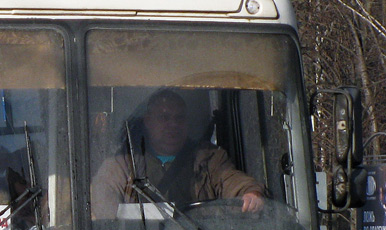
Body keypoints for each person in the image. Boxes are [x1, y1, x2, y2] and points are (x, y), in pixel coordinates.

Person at [91, 88, 265, 220]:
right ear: (148, 122)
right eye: (164, 118)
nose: (173, 125)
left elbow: (231, 179)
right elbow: (102, 208)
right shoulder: (121, 165)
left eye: (179, 118)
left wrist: (250, 194)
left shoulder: (209, 159)